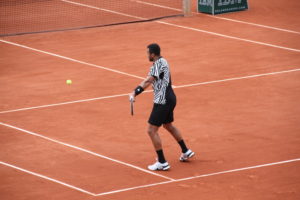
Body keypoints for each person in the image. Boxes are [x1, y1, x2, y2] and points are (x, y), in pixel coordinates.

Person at [129, 43, 194, 171]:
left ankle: (162, 162)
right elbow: (151, 81)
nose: (147, 55)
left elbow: (148, 81)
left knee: (151, 130)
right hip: (170, 98)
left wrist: (134, 92)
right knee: (168, 125)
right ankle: (186, 151)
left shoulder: (157, 65)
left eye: (148, 53)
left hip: (162, 101)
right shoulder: (163, 61)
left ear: (153, 54)